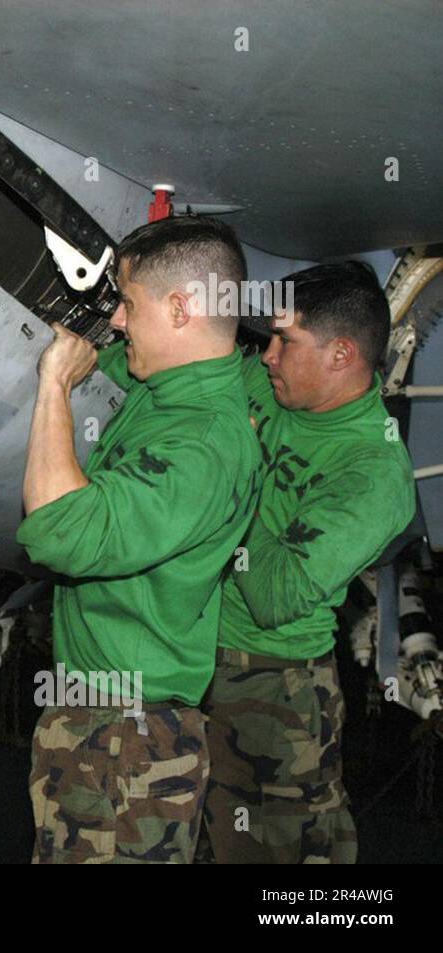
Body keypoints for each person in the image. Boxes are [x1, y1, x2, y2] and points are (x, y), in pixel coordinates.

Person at [16, 215, 261, 863]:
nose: (117, 321)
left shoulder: (201, 446)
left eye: (129, 303)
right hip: (110, 718)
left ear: (181, 308)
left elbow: (57, 532)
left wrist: (52, 386)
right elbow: (113, 358)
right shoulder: (175, 387)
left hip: (128, 738)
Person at [201, 262, 416, 863]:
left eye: (284, 342)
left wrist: (230, 474)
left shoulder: (372, 476)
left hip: (272, 686)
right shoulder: (271, 385)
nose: (265, 356)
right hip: (191, 654)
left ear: (341, 354)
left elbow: (272, 594)